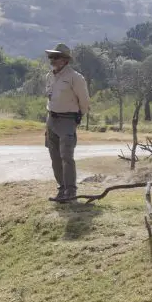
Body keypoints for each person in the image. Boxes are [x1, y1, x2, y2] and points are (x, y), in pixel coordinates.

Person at [43, 43, 90, 203]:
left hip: (67, 119)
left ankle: (71, 192)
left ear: (65, 60)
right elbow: (50, 98)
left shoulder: (75, 78)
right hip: (51, 119)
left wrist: (78, 116)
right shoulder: (49, 76)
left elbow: (84, 101)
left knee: (66, 156)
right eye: (51, 57)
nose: (52, 60)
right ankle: (62, 189)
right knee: (54, 156)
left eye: (56, 57)